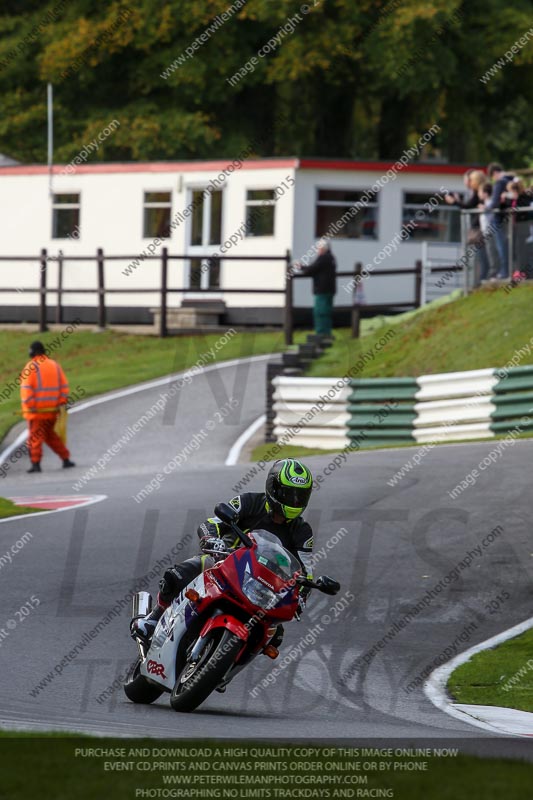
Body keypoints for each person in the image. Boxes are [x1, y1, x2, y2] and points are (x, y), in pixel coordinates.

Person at [132, 458, 315, 660]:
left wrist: (302, 597)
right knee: (180, 574)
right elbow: (212, 522)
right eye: (289, 494)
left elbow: (305, 571)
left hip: (264, 587)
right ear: (273, 488)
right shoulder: (249, 502)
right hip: (226, 565)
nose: (294, 501)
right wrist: (211, 539)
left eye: (300, 496)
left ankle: (229, 665)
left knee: (275, 635)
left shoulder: (303, 532)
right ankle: (154, 618)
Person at [20, 341, 75, 473]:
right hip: (52, 411)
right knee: (50, 436)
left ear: (32, 352)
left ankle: (36, 464)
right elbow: (64, 387)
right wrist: (61, 403)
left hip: (36, 412)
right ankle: (65, 458)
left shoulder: (30, 367)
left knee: (35, 438)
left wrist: (30, 405)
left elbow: (26, 389)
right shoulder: (54, 365)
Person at [294, 239, 337, 337]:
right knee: (327, 312)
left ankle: (321, 334)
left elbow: (311, 270)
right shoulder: (331, 258)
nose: (318, 250)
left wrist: (300, 266)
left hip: (322, 290)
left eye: (319, 248)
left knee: (320, 312)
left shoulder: (323, 258)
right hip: (330, 290)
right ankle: (327, 333)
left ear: (323, 248)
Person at [486, 162, 515, 278]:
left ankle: (504, 272)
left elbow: (494, 203)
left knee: (501, 246)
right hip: (509, 219)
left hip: (498, 219)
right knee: (508, 245)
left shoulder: (500, 182)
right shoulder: (512, 180)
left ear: (494, 173)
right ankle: (509, 270)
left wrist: (487, 207)